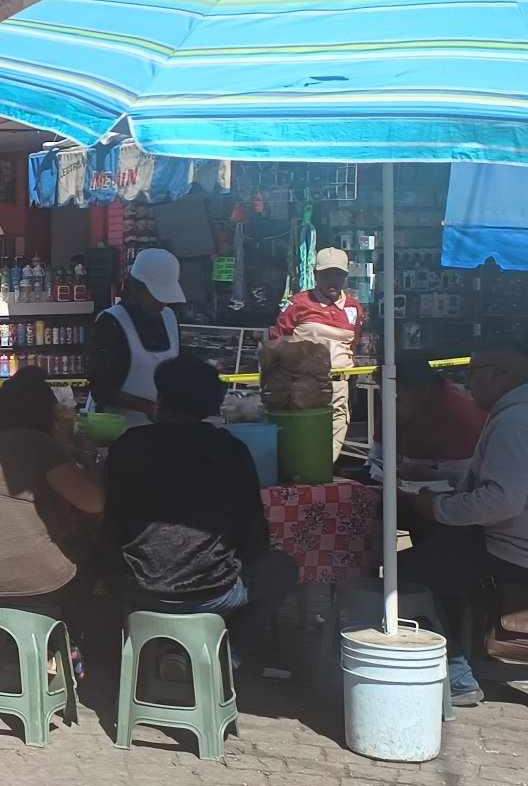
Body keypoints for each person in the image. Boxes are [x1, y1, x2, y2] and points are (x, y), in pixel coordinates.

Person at [404, 341, 528, 707]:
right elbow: (497, 475)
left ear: (501, 375)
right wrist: (438, 472)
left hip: (521, 555)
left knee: (409, 575)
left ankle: (457, 674)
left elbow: (500, 500)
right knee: (437, 550)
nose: (468, 384)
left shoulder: (519, 421)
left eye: (474, 374)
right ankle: (468, 649)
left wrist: (437, 508)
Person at [103, 355, 296, 661]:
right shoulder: (230, 450)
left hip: (137, 587)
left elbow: (110, 518)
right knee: (282, 569)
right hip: (213, 592)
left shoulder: (129, 444)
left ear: (161, 400)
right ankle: (226, 658)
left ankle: (146, 657)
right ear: (211, 406)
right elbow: (254, 532)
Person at [0, 366, 104, 613]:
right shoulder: (40, 445)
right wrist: (86, 457)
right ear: (42, 413)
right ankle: (77, 643)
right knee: (96, 568)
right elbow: (94, 502)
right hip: (35, 580)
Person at [269, 247, 366, 456]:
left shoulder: (354, 307)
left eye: (338, 275)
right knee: (304, 431)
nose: (333, 280)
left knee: (337, 426)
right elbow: (277, 339)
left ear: (345, 277)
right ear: (315, 275)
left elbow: (353, 343)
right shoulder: (298, 304)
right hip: (304, 382)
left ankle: (322, 470)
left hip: (340, 382)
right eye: (327, 274)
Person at [85, 247, 183, 425]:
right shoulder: (110, 322)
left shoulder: (169, 317)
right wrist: (147, 407)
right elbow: (101, 389)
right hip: (115, 430)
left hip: (161, 430)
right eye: (156, 295)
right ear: (136, 287)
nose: (162, 302)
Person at [395, 355, 487, 468]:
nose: (391, 402)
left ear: (423, 390)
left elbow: (465, 476)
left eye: (397, 396)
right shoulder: (402, 409)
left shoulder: (457, 415)